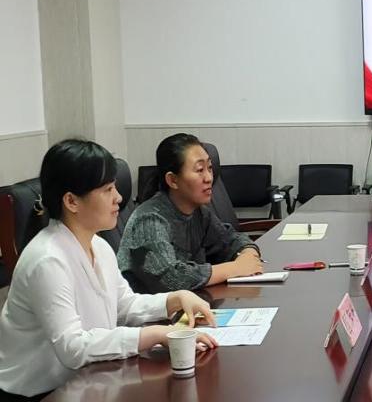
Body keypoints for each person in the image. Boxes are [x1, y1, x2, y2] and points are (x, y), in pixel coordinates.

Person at [0, 140, 217, 399]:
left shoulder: (98, 245)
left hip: (89, 381)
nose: (119, 198)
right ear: (71, 201)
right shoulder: (47, 260)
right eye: (107, 189)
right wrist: (157, 334)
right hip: (41, 394)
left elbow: (122, 306)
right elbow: (73, 348)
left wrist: (174, 299)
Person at [118, 133, 263, 293]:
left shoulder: (199, 213)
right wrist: (235, 268)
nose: (209, 178)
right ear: (173, 180)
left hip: (191, 302)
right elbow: (170, 278)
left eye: (209, 168)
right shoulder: (150, 220)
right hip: (151, 308)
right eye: (200, 170)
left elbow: (230, 239)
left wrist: (249, 254)